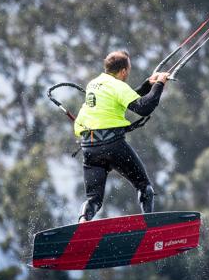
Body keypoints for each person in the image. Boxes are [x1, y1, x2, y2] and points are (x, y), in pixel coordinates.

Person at [73, 50, 170, 223]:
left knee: (94, 199)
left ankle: (82, 222)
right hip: (112, 146)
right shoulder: (118, 86)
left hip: (89, 148)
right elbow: (143, 107)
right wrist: (160, 84)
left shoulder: (93, 84)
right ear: (124, 71)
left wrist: (149, 84)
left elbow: (123, 99)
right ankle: (148, 226)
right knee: (144, 186)